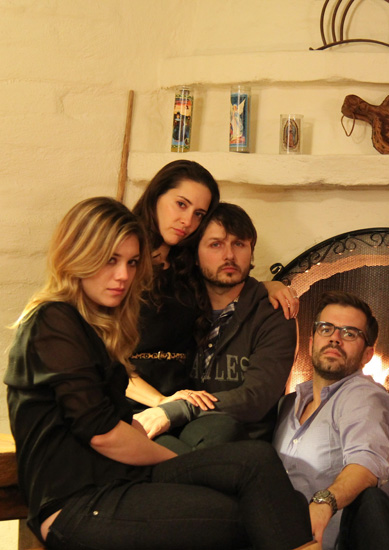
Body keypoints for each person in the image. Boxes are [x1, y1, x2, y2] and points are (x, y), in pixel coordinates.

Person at [4, 197, 319, 550]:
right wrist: (186, 463)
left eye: (131, 262)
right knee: (260, 512)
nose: (123, 275)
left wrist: (269, 286)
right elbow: (102, 435)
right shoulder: (53, 321)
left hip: (119, 478)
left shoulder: (94, 325)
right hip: (78, 503)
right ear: (77, 255)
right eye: (110, 260)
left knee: (258, 462)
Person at [126, 160, 297, 414]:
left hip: (178, 405)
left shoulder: (184, 269)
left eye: (199, 214)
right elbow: (103, 355)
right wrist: (161, 403)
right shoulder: (124, 263)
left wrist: (266, 286)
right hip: (136, 401)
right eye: (181, 204)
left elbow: (225, 279)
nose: (187, 221)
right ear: (155, 196)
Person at [134, 202, 298, 452]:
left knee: (220, 431)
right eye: (216, 244)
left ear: (251, 252)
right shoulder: (176, 304)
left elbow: (256, 398)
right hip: (171, 428)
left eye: (239, 244)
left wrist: (176, 410)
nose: (229, 256)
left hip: (238, 440)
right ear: (195, 255)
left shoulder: (273, 313)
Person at [273, 291, 389, 550]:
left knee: (372, 499)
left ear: (368, 354)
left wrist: (325, 502)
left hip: (339, 543)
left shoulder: (364, 396)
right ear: (312, 341)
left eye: (350, 333)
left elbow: (367, 462)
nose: (335, 338)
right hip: (281, 538)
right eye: (326, 328)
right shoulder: (288, 404)